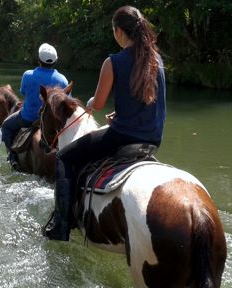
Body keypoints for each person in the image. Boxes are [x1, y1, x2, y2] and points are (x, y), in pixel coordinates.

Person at [43, 6, 166, 241]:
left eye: (113, 31)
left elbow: (96, 104)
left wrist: (91, 102)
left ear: (119, 31)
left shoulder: (113, 62)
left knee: (63, 158)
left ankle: (60, 225)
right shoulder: (155, 60)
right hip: (153, 138)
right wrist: (119, 115)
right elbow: (149, 103)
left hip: (123, 138)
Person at [1, 43, 69, 169]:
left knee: (6, 126)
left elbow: (23, 92)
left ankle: (12, 157)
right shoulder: (63, 80)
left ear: (38, 60)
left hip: (28, 118)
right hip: (52, 122)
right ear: (56, 61)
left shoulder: (28, 75)